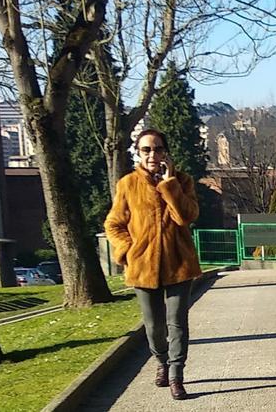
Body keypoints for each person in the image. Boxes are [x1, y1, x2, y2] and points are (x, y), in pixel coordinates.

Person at [104, 129, 201, 400]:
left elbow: (186, 216)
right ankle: (161, 360)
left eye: (157, 149)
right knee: (154, 326)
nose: (152, 155)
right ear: (138, 152)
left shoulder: (183, 181)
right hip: (143, 267)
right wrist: (127, 250)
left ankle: (176, 375)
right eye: (146, 150)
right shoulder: (127, 184)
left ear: (165, 152)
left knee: (177, 322)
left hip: (179, 265)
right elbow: (113, 224)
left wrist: (170, 185)